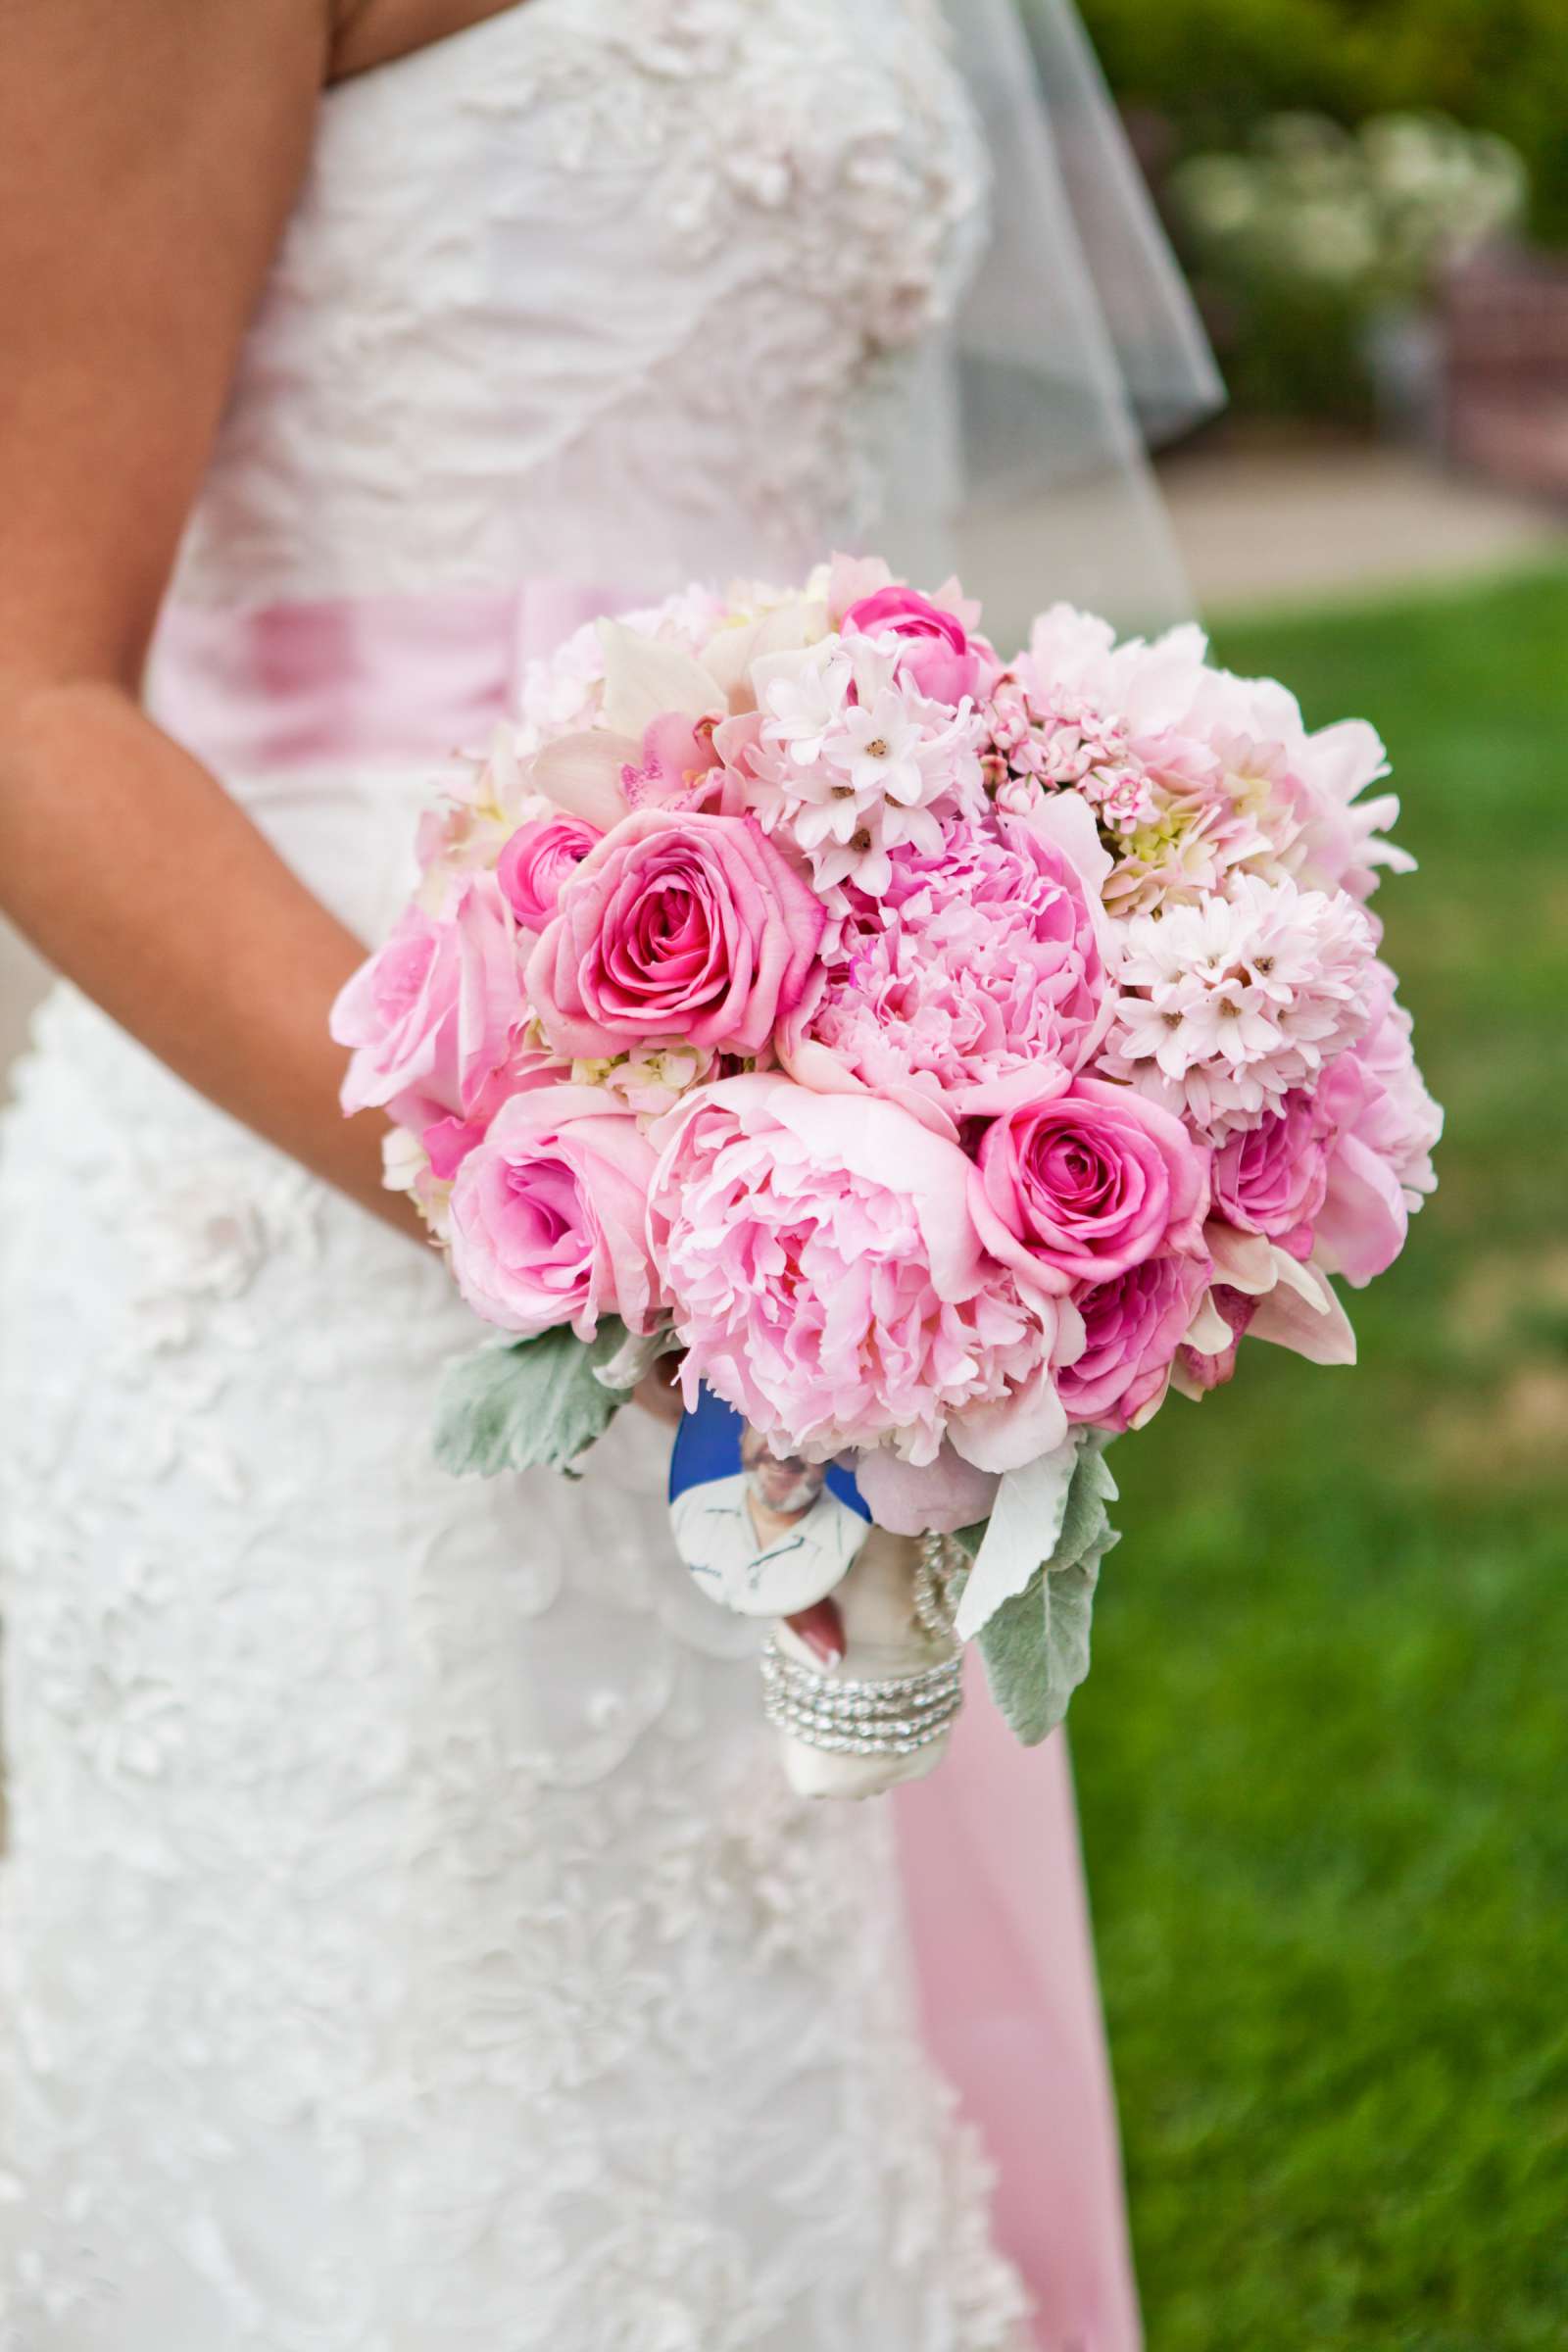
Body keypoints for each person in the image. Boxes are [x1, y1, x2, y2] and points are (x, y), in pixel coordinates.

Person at [0, 2, 1216, 2341]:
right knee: (426, 2113)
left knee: (763, 2067)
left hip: (825, 1128)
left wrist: (1037, 992)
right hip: (322, 1163)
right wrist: (609, 1209)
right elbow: (30, 695)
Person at [670, 1426, 871, 1619]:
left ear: (835, 1455)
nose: (784, 1453)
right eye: (768, 1424)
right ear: (744, 1435)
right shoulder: (691, 1507)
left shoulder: (846, 1537)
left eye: (809, 1433)